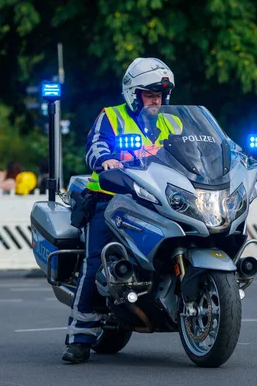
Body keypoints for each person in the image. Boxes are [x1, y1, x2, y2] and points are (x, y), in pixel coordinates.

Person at [63, 57, 180, 364]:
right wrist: (105, 161)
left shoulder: (173, 122)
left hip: (157, 199)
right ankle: (80, 336)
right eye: (150, 93)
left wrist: (234, 155)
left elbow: (196, 148)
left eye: (160, 94)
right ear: (134, 93)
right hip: (111, 196)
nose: (156, 99)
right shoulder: (111, 117)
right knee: (97, 256)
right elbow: (95, 146)